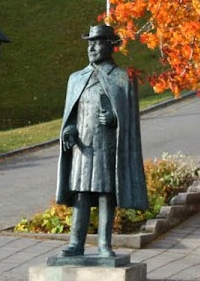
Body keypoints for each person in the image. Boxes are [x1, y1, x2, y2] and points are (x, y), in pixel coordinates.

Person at [55, 24, 147, 258]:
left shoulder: (122, 78)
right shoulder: (76, 79)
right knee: (81, 193)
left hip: (108, 148)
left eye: (97, 43)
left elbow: (130, 120)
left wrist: (115, 118)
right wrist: (69, 131)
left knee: (107, 194)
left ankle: (105, 245)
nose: (92, 48)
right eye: (90, 43)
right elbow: (70, 115)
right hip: (82, 149)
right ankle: (76, 243)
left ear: (110, 46)